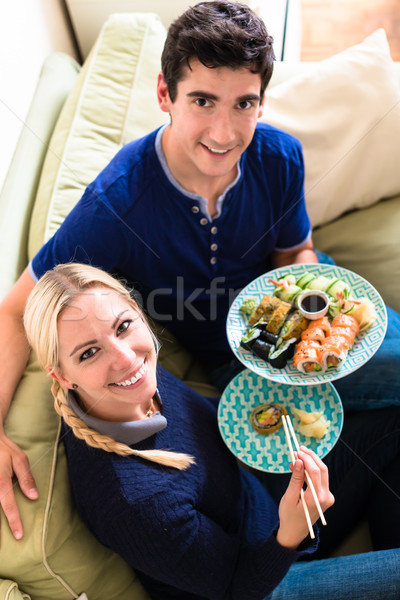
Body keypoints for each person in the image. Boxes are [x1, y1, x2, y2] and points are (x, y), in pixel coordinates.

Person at [0, 0, 399, 539]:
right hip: (234, 363)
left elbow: (295, 254)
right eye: (203, 101)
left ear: (261, 103)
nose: (224, 131)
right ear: (165, 95)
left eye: (243, 104)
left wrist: (308, 305)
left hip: (316, 314)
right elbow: (18, 306)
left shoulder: (281, 156)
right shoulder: (117, 204)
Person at [21, 263, 400, 600]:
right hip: (260, 582)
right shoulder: (132, 500)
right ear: (61, 376)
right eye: (89, 353)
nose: (124, 358)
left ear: (138, 313)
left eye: (122, 326)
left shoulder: (138, 379)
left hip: (261, 497)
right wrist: (290, 532)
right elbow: (238, 587)